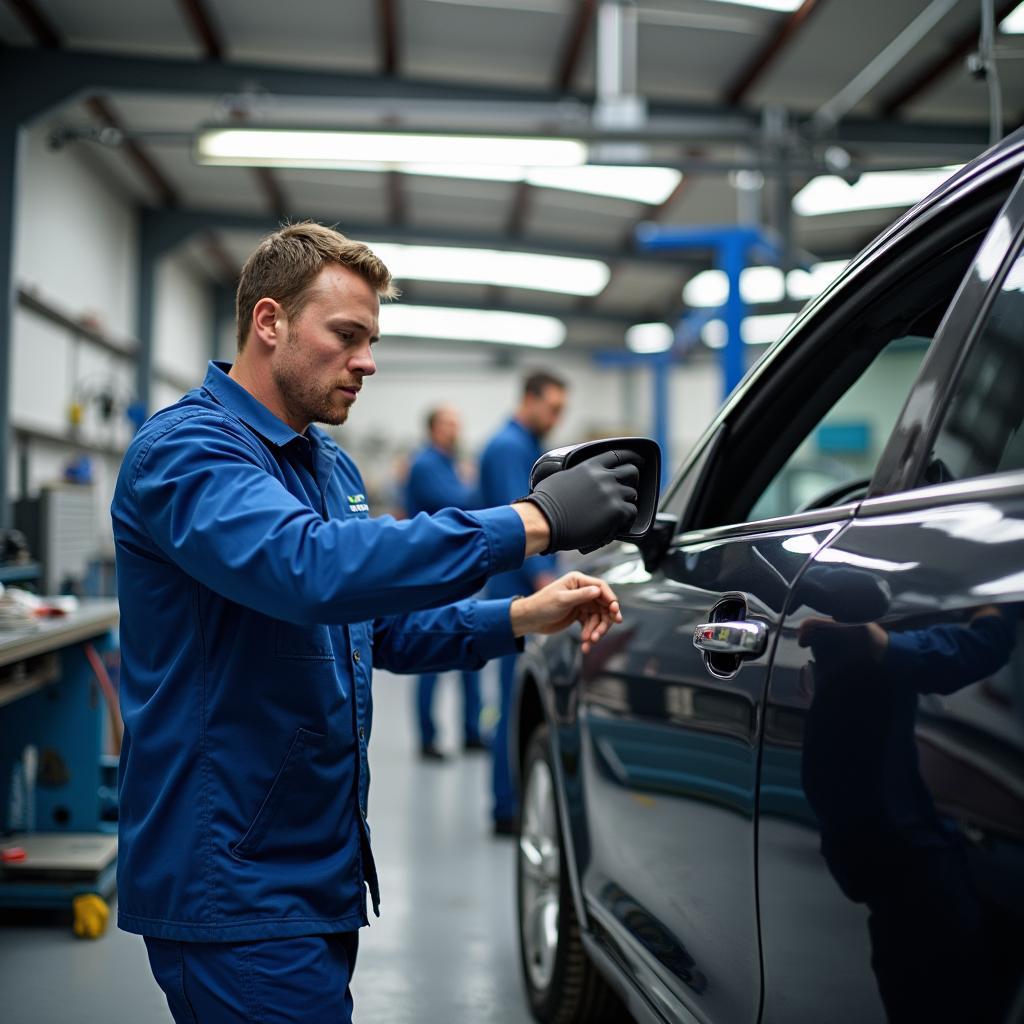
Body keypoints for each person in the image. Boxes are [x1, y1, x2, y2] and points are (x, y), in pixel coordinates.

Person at [110, 222, 640, 1024]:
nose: (367, 361)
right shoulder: (189, 453)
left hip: (319, 869)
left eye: (372, 339)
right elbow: (311, 570)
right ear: (269, 322)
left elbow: (376, 630)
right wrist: (530, 521)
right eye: (347, 335)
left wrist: (523, 616)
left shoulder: (327, 464)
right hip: (232, 877)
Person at [478, 371, 568, 835]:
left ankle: (509, 798)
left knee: (518, 699)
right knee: (515, 702)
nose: (556, 418)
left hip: (520, 591)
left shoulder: (521, 444)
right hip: (515, 594)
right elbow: (522, 520)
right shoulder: (508, 447)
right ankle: (505, 806)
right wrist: (546, 579)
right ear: (529, 399)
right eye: (552, 408)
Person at [404, 405, 484, 759]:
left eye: (457, 424)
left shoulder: (449, 463)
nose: (454, 430)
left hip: (456, 569)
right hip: (431, 570)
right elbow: (458, 503)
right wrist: (477, 483)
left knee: (471, 646)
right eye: (448, 424)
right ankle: (428, 738)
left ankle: (471, 731)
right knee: (433, 650)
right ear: (433, 428)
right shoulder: (426, 464)